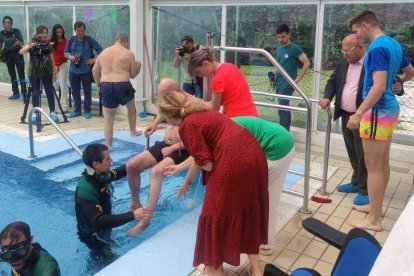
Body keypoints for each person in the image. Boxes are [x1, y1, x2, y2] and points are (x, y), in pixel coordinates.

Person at [158, 92, 268, 276]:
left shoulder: (187, 125)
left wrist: (213, 176)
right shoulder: (202, 112)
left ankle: (214, 268)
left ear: (168, 115)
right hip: (254, 154)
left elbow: (206, 163)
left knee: (213, 214)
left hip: (234, 161)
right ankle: (256, 270)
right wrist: (187, 180)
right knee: (248, 210)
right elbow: (201, 156)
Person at [166, 116, 295, 256]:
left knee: (265, 197)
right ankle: (256, 239)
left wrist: (188, 181)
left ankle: (265, 244)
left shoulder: (214, 132)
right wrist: (179, 168)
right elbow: (199, 155)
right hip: (280, 139)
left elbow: (202, 160)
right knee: (260, 197)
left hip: (276, 147)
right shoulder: (214, 125)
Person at [346, 10, 414, 231]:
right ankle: (376, 208)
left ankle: (374, 219)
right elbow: (410, 71)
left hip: (377, 111)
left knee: (373, 167)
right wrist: (399, 82)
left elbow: (377, 85)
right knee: (382, 164)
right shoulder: (393, 44)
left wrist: (358, 113)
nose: (356, 37)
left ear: (366, 25)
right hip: (389, 109)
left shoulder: (376, 48)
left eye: (357, 32)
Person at [125, 79, 193, 237]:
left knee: (156, 172)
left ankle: (146, 219)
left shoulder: (190, 106)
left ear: (175, 90)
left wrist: (173, 148)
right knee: (131, 165)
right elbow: (165, 110)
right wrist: (155, 124)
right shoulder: (171, 101)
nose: (163, 99)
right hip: (165, 144)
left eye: (165, 95)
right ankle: (134, 202)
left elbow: (195, 138)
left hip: (182, 148)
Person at [320, 34, 369, 206]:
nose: (344, 54)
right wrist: (327, 97)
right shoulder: (344, 62)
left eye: (348, 50)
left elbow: (385, 82)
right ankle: (356, 181)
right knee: (352, 150)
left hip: (363, 116)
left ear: (360, 47)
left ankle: (365, 189)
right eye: (343, 50)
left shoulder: (371, 62)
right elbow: (332, 81)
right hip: (346, 114)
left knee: (364, 153)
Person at [75, 143, 151, 255]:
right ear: (96, 164)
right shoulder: (85, 188)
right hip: (93, 235)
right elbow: (99, 221)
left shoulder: (101, 175)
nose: (111, 160)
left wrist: (142, 157)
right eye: (108, 159)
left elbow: (121, 171)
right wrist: (133, 215)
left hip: (104, 227)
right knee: (109, 259)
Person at [92, 33, 142, 147]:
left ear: (115, 40)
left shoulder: (103, 53)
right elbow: (133, 75)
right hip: (122, 84)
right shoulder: (128, 53)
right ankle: (133, 131)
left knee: (108, 118)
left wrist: (99, 86)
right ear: (125, 42)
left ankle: (108, 145)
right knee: (131, 108)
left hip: (106, 85)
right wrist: (139, 66)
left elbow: (94, 71)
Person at [188, 48, 258, 118]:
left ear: (205, 64)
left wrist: (195, 103)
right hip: (252, 116)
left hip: (237, 119)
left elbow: (214, 108)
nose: (200, 76)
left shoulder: (218, 79)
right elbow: (210, 101)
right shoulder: (231, 66)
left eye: (199, 72)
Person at [273, 24, 310, 131]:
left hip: (287, 84)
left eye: (283, 37)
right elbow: (279, 66)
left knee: (283, 109)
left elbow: (307, 63)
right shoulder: (279, 50)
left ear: (289, 35)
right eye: (279, 37)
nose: (281, 39)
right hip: (279, 83)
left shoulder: (294, 48)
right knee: (282, 109)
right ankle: (284, 133)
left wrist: (297, 80)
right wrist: (273, 75)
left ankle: (284, 135)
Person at [19, 26, 59, 123]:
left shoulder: (48, 45)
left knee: (49, 91)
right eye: (42, 33)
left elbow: (52, 59)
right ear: (37, 34)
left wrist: (54, 72)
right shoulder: (32, 44)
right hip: (34, 72)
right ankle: (36, 112)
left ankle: (52, 111)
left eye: (46, 32)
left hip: (47, 71)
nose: (45, 35)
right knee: (35, 92)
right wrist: (31, 45)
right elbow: (21, 51)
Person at [64, 21, 103, 119]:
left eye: (82, 31)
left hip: (86, 71)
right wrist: (70, 57)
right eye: (78, 31)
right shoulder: (71, 40)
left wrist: (94, 60)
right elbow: (65, 52)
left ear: (84, 30)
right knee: (75, 91)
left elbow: (101, 50)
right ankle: (77, 110)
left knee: (87, 91)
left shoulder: (90, 40)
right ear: (75, 31)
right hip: (73, 70)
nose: (80, 33)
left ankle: (87, 110)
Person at [0, 16, 27, 100]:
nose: (7, 24)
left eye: (9, 22)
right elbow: (0, 45)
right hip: (8, 55)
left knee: (21, 73)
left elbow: (22, 42)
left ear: (11, 23)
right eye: (5, 22)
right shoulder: (1, 33)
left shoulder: (16, 31)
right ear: (3, 24)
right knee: (12, 74)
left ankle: (24, 93)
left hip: (18, 54)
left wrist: (19, 42)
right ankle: (16, 93)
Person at [51, 24, 68, 112]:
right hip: (53, 65)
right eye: (57, 32)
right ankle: (54, 105)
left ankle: (64, 106)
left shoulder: (66, 41)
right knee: (53, 85)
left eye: (60, 32)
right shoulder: (51, 41)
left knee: (62, 85)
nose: (59, 34)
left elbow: (68, 52)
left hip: (63, 65)